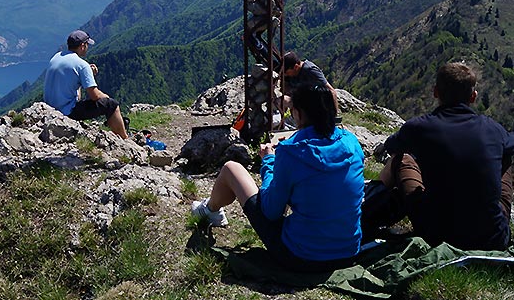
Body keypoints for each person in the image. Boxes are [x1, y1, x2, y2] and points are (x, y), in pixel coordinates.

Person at [190, 84, 365, 272]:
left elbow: (271, 211)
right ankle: (211, 210)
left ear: (297, 114)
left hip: (303, 257)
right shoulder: (352, 142)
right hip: (348, 252)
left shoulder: (292, 152)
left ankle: (210, 211)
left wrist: (269, 161)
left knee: (231, 169)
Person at [366, 62, 514, 250]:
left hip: (435, 234)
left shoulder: (419, 128)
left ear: (436, 92)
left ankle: (371, 211)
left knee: (401, 159)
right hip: (492, 238)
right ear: (473, 97)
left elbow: (391, 146)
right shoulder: (493, 129)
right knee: (507, 157)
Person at [43, 30, 129, 139]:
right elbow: (95, 96)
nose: (88, 47)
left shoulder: (57, 56)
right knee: (111, 105)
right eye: (87, 44)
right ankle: (124, 139)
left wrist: (84, 78)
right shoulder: (82, 65)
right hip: (67, 112)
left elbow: (75, 93)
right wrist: (106, 98)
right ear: (83, 46)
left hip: (49, 110)